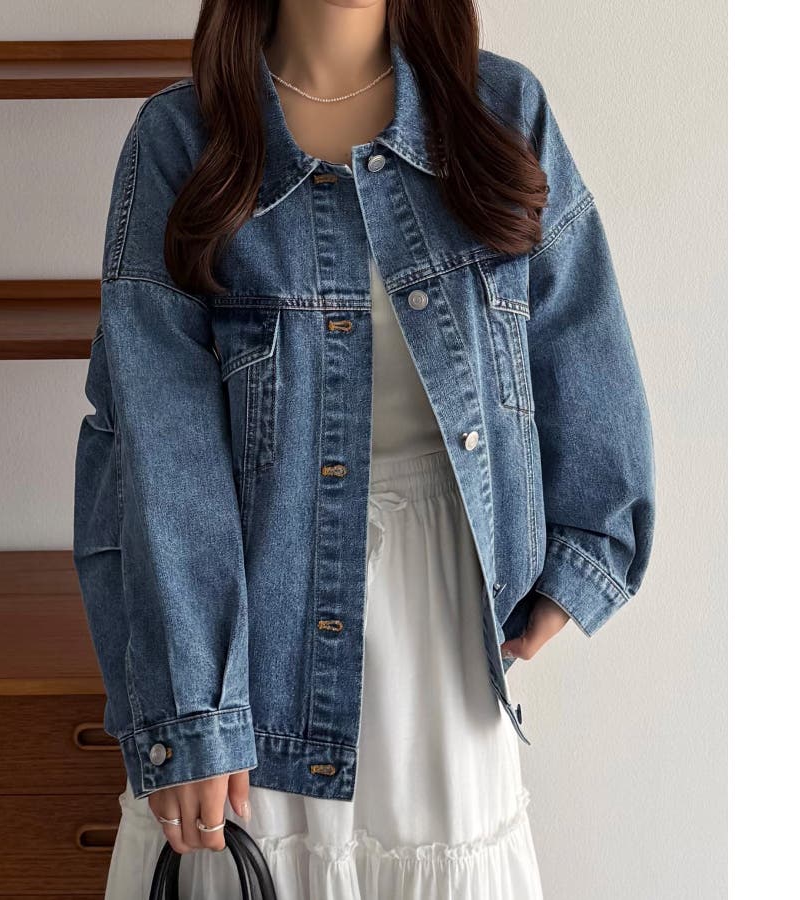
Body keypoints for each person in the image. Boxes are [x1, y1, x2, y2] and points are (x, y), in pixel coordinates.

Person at [72, 1, 656, 897]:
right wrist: (194, 709)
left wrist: (582, 559)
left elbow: (581, 339)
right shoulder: (181, 141)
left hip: (445, 630)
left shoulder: (502, 113)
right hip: (249, 638)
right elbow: (156, 444)